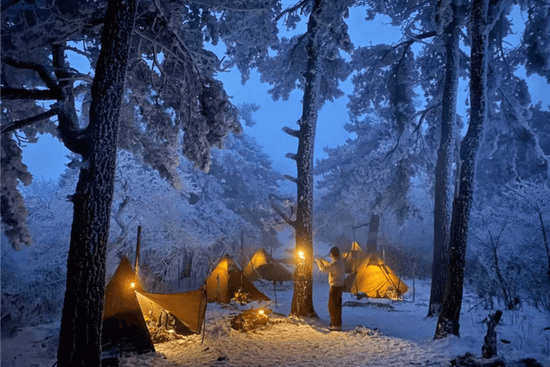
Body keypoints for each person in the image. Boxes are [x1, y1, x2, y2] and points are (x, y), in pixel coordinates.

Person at [315, 246, 345, 331]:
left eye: (331, 255)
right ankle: (337, 324)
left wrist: (318, 262)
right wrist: (322, 261)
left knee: (332, 306)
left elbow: (324, 269)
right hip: (340, 287)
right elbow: (330, 265)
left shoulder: (335, 264)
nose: (330, 256)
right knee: (337, 306)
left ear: (333, 254)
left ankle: (335, 325)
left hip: (335, 287)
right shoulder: (340, 262)